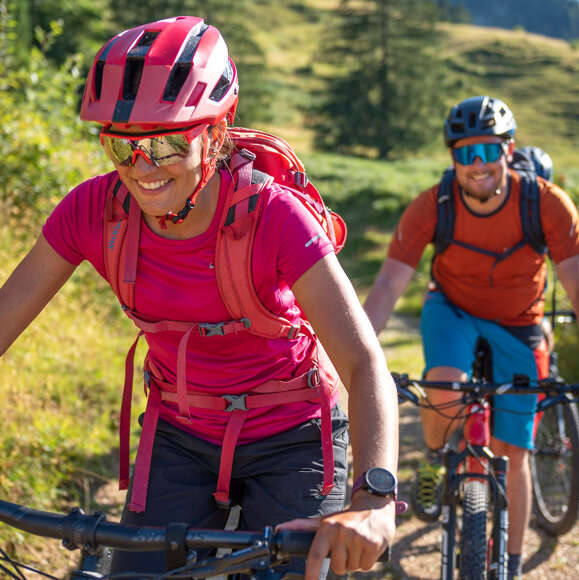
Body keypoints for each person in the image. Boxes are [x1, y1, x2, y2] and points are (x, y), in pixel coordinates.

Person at [0, 16, 400, 579]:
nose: (143, 170)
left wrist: (374, 500)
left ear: (214, 133)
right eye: (122, 147)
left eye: (165, 144)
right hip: (181, 434)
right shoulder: (94, 212)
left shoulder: (274, 218)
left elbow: (363, 363)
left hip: (293, 436)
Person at [364, 95, 579, 579]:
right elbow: (386, 288)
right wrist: (353, 359)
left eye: (488, 151)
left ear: (509, 149)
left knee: (514, 451)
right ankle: (438, 458)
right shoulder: (432, 206)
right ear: (453, 157)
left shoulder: (547, 205)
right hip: (452, 311)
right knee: (443, 388)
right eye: (465, 153)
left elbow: (576, 284)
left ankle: (512, 564)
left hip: (521, 325)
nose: (477, 165)